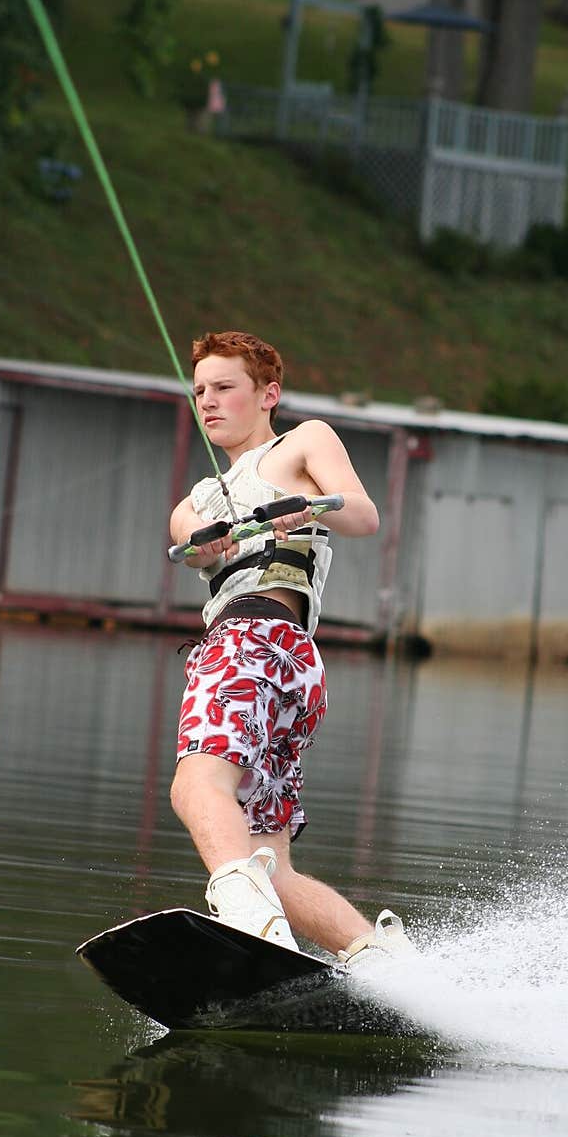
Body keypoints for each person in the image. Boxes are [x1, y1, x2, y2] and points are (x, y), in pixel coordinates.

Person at [169, 330, 415, 965]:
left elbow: (362, 516)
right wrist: (210, 543)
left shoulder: (302, 443)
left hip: (251, 645)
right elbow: (192, 544)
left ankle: (249, 925)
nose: (209, 402)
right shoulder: (193, 502)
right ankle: (381, 961)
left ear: (268, 394)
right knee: (269, 861)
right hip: (291, 668)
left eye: (225, 388)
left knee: (195, 787)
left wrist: (304, 509)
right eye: (199, 392)